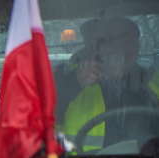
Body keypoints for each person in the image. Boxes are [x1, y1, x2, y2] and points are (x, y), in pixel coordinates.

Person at [61, 16, 159, 150]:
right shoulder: (69, 76)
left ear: (138, 46)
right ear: (97, 46)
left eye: (130, 42)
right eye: (113, 41)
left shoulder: (153, 80)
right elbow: (44, 113)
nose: (122, 49)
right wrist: (75, 82)